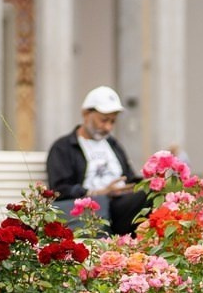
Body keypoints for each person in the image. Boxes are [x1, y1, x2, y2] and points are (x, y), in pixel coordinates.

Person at [44, 85, 148, 234]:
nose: (108, 127)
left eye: (112, 122)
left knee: (154, 193)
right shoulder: (64, 147)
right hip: (93, 209)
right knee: (145, 197)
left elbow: (129, 177)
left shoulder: (112, 144)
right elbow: (60, 189)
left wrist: (150, 181)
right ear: (86, 113)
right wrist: (101, 192)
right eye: (104, 120)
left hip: (123, 205)